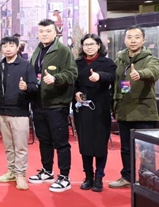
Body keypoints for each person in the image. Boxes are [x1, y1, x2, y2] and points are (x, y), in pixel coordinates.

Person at [28, 19, 77, 193]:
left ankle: (64, 177)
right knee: (44, 140)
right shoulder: (37, 50)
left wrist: (56, 79)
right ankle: (47, 171)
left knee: (61, 142)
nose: (44, 34)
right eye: (41, 32)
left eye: (48, 31)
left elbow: (72, 74)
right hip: (39, 103)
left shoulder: (63, 50)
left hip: (56, 104)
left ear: (55, 32)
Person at [109, 26, 159, 189]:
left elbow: (153, 72)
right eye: (129, 37)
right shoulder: (119, 60)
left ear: (143, 40)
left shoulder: (150, 59)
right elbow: (114, 82)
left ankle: (147, 180)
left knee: (146, 149)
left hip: (144, 110)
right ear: (125, 40)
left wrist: (140, 74)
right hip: (124, 110)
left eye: (137, 37)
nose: (133, 40)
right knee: (126, 148)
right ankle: (127, 177)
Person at [73, 34, 116, 192]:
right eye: (86, 44)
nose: (89, 47)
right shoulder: (76, 63)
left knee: (100, 143)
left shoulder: (107, 62)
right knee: (85, 143)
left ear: (98, 45)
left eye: (92, 44)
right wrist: (75, 92)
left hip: (100, 107)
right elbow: (72, 82)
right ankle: (88, 176)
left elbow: (112, 77)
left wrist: (100, 76)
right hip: (82, 107)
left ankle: (99, 176)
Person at [0, 36, 38, 191]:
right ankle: (11, 171)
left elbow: (34, 87)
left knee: (20, 147)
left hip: (20, 112)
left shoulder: (26, 66)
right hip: (3, 112)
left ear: (18, 47)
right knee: (8, 146)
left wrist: (26, 87)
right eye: (5, 46)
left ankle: (20, 174)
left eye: (11, 45)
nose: (8, 49)